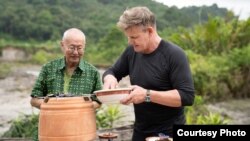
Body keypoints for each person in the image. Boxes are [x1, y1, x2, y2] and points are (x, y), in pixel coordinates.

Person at [102, 6, 195, 140]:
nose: (130, 41)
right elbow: (113, 71)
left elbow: (187, 96)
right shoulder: (131, 51)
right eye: (128, 37)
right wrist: (109, 78)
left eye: (134, 37)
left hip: (168, 134)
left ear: (150, 31)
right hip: (140, 132)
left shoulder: (174, 55)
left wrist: (147, 95)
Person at [30, 28, 102, 141]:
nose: (75, 52)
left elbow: (98, 101)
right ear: (62, 45)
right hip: (50, 131)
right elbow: (34, 99)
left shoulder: (93, 72)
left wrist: (78, 108)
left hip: (80, 132)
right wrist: (56, 108)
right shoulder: (48, 68)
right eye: (72, 47)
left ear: (85, 46)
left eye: (79, 48)